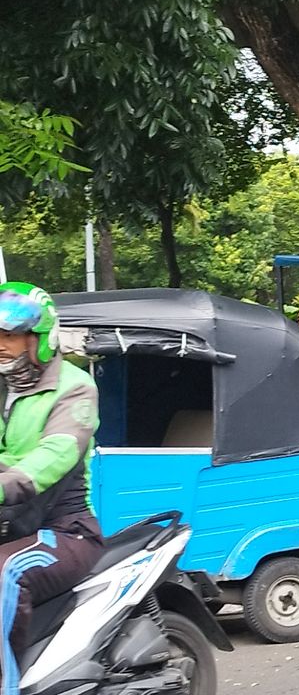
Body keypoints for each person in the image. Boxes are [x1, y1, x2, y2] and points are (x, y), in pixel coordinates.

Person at [0, 283, 105, 679]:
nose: (1, 345)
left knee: (4, 574)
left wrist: (7, 480)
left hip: (65, 531)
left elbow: (54, 455)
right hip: (11, 524)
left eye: (9, 335)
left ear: (40, 338)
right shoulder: (2, 387)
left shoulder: (74, 387)